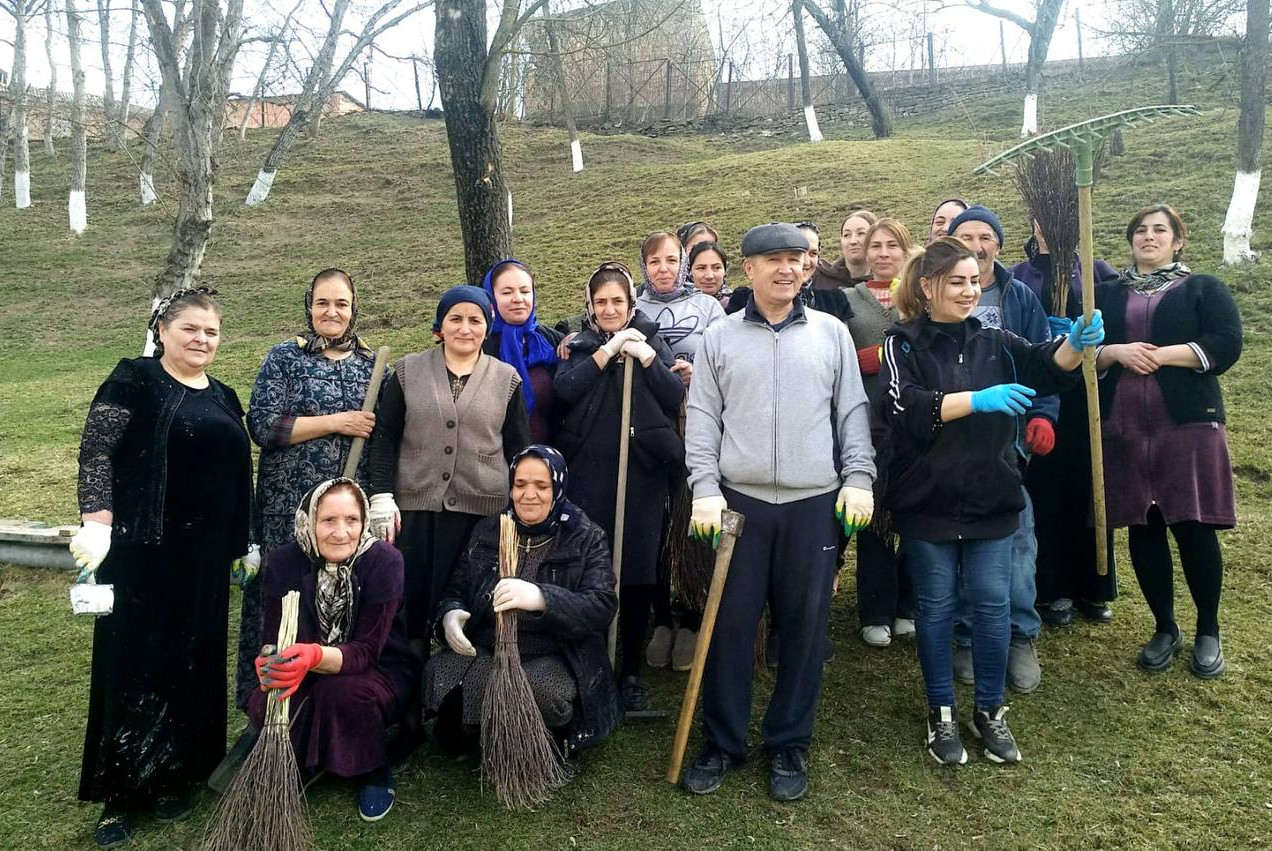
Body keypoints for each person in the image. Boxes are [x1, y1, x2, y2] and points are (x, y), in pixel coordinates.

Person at [879, 237, 1103, 766]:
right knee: (935, 609)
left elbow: (1044, 367)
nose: (968, 289)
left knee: (992, 604)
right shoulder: (902, 343)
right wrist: (976, 401)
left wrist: (1074, 344)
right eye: (956, 281)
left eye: (974, 280)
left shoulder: (995, 339)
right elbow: (904, 407)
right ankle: (941, 714)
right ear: (927, 286)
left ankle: (990, 711)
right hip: (926, 499)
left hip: (992, 495)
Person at [681, 222, 875, 801]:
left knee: (805, 628)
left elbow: (852, 413)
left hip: (813, 503)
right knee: (730, 626)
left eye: (796, 258)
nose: (787, 268)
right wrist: (704, 487)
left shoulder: (831, 333)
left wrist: (859, 478)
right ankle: (723, 741)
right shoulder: (718, 338)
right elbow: (703, 417)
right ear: (749, 269)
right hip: (738, 506)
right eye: (773, 260)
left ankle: (788, 741)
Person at [70, 288, 253, 848]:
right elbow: (97, 449)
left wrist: (245, 541)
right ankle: (120, 793)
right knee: (135, 662)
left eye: (212, 332)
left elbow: (239, 473)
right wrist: (96, 519)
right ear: (163, 330)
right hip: (142, 552)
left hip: (204, 560)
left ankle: (176, 775)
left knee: (192, 659)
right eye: (191, 329)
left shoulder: (223, 395)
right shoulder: (136, 379)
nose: (202, 340)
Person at [1095, 205, 1241, 678]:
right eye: (1140, 230)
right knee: (1144, 526)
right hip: (1124, 427)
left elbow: (1225, 343)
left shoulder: (1202, 288)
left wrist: (1158, 357)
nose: (1149, 237)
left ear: (1178, 240)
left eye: (1160, 230)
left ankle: (1208, 630)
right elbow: (1082, 352)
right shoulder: (1105, 295)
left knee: (1193, 526)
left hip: (1188, 426)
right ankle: (1164, 626)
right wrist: (1114, 351)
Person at [366, 285, 531, 675]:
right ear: (440, 326)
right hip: (416, 512)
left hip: (479, 514)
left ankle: (457, 696)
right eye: (455, 318)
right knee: (412, 606)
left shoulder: (506, 379)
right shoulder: (407, 371)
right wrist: (381, 495)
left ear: (486, 327)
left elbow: (519, 449)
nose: (465, 328)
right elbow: (385, 437)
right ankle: (409, 702)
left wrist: (518, 506)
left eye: (475, 320)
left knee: (467, 608)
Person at [242, 269, 381, 711]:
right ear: (309, 305)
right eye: (323, 302)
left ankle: (333, 700)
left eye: (341, 303)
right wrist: (336, 422)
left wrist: (378, 498)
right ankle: (267, 704)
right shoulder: (285, 358)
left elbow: (386, 441)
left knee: (342, 601)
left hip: (347, 513)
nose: (332, 312)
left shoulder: (374, 367)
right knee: (284, 599)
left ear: (353, 308)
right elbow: (263, 425)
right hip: (290, 505)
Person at [425, 445, 621, 758]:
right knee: (444, 672)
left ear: (557, 488)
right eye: (520, 485)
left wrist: (543, 598)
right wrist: (450, 616)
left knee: (542, 690)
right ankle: (481, 735)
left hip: (556, 652)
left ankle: (549, 742)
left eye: (542, 486)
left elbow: (602, 605)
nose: (529, 495)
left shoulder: (584, 536)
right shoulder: (490, 529)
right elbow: (456, 589)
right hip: (491, 646)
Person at [555, 262, 685, 713]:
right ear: (589, 307)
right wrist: (608, 350)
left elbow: (673, 396)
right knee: (592, 569)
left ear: (631, 305)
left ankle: (629, 668)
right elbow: (565, 393)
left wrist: (646, 357)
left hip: (641, 476)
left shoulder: (653, 342)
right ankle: (593, 662)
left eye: (618, 301)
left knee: (634, 573)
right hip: (590, 473)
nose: (609, 308)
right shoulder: (579, 346)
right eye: (601, 302)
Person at [249, 478, 420, 822]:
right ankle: (307, 760)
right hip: (306, 667)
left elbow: (368, 650)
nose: (340, 532)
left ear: (364, 521)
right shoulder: (284, 562)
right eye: (328, 520)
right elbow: (273, 632)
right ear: (309, 521)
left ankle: (372, 767)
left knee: (342, 693)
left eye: (352, 520)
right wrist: (271, 660)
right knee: (266, 701)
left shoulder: (384, 561)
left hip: (376, 668)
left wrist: (314, 655)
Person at [948, 205, 1055, 694]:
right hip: (949, 441)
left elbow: (1045, 360)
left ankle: (1020, 635)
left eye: (985, 235)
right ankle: (967, 636)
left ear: (998, 244)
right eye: (965, 235)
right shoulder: (933, 294)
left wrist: (1042, 414)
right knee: (960, 542)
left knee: (1016, 540)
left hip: (1007, 442)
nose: (975, 243)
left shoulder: (1020, 298)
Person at [1009, 223, 1120, 626]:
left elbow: (1116, 326)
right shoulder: (1020, 276)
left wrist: (1089, 345)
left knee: (1088, 488)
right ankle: (1052, 589)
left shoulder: (1096, 270)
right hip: (1041, 391)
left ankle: (1093, 586)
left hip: (1087, 396)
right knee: (1047, 492)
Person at [634, 230, 724, 671]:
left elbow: (726, 355)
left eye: (672, 260)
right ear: (644, 267)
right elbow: (595, 324)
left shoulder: (707, 306)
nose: (664, 269)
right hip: (649, 428)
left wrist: (698, 369)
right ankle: (661, 619)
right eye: (654, 262)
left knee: (691, 519)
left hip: (695, 423)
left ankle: (691, 615)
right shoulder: (634, 307)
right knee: (656, 520)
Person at [850, 218, 914, 648]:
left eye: (893, 245)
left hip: (914, 425)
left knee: (912, 518)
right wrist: (870, 357)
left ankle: (907, 605)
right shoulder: (847, 299)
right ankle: (874, 609)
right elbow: (832, 356)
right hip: (868, 423)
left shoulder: (920, 295)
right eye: (876, 246)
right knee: (873, 519)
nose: (884, 253)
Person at [481, 259, 564, 444]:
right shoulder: (479, 346)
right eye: (506, 292)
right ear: (491, 298)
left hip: (549, 461)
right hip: (495, 463)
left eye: (525, 291)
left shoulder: (550, 340)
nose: (518, 298)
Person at [810, 210, 876, 290]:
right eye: (846, 235)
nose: (853, 241)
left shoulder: (886, 285)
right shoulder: (818, 278)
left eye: (861, 233)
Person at [689, 240, 732, 307]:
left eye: (716, 268)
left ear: (725, 271)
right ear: (690, 271)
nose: (709, 276)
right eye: (701, 268)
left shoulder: (738, 305)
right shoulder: (679, 307)